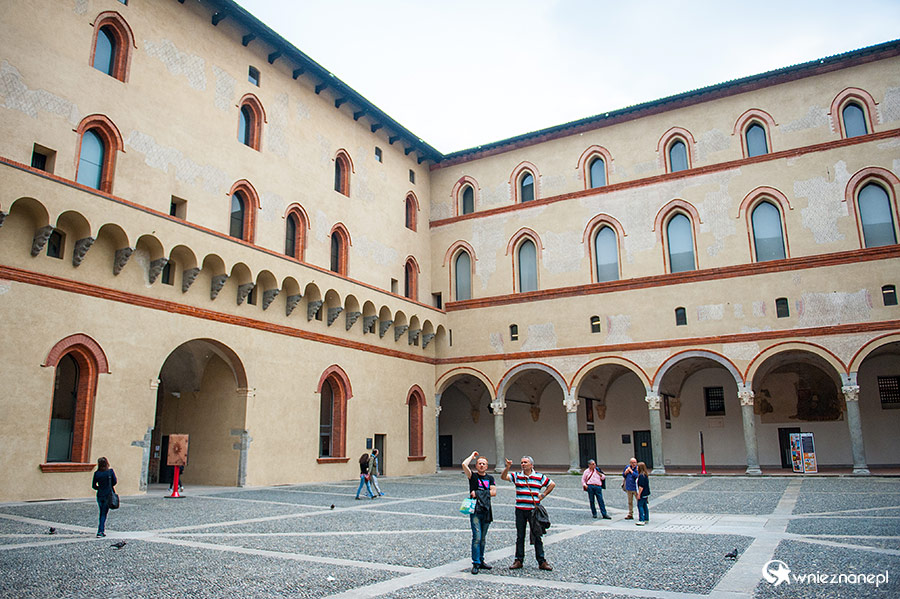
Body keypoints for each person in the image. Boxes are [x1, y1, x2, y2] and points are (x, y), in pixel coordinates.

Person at [501, 455, 555, 571]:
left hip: (533, 510)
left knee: (537, 535)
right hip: (520, 509)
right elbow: (503, 477)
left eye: (525, 462)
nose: (523, 464)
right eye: (521, 462)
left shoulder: (539, 477)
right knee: (520, 536)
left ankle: (541, 561)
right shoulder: (517, 476)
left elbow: (552, 484)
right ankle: (518, 560)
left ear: (531, 465)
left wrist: (543, 495)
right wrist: (507, 467)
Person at [462, 451, 496, 575]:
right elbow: (464, 465)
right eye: (479, 463)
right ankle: (475, 562)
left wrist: (478, 493)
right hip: (475, 510)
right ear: (476, 466)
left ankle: (481, 560)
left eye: (484, 464)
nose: (481, 465)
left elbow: (494, 492)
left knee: (482, 538)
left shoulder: (490, 478)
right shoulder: (473, 477)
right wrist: (472, 456)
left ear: (487, 466)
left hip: (486, 510)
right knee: (477, 537)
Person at [91, 457, 117, 538]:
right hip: (108, 495)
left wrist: (100, 488)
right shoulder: (110, 472)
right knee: (103, 513)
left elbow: (94, 486)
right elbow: (115, 482)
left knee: (101, 512)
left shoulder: (97, 473)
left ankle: (101, 530)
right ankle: (100, 531)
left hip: (100, 495)